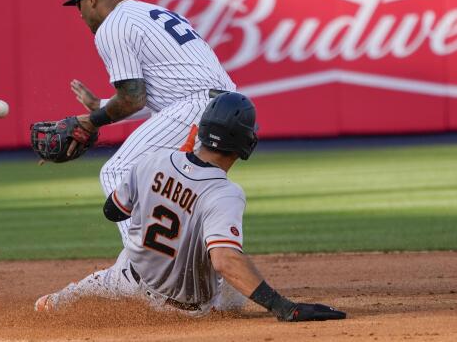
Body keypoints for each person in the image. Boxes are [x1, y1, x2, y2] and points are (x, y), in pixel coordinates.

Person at [35, 92, 346, 322]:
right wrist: (282, 307)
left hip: (126, 282)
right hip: (191, 311)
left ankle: (54, 304)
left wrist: (168, 176)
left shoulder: (153, 160)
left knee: (53, 305)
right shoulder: (225, 193)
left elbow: (112, 211)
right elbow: (224, 260)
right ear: (246, 143)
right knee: (231, 277)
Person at [59, 0, 237, 246]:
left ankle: (143, 267)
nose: (79, 12)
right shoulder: (153, 13)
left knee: (118, 172)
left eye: (78, 4)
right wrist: (101, 105)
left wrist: (92, 121)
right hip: (231, 109)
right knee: (183, 194)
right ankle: (204, 275)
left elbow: (132, 98)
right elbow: (160, 95)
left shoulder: (113, 26)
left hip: (195, 107)